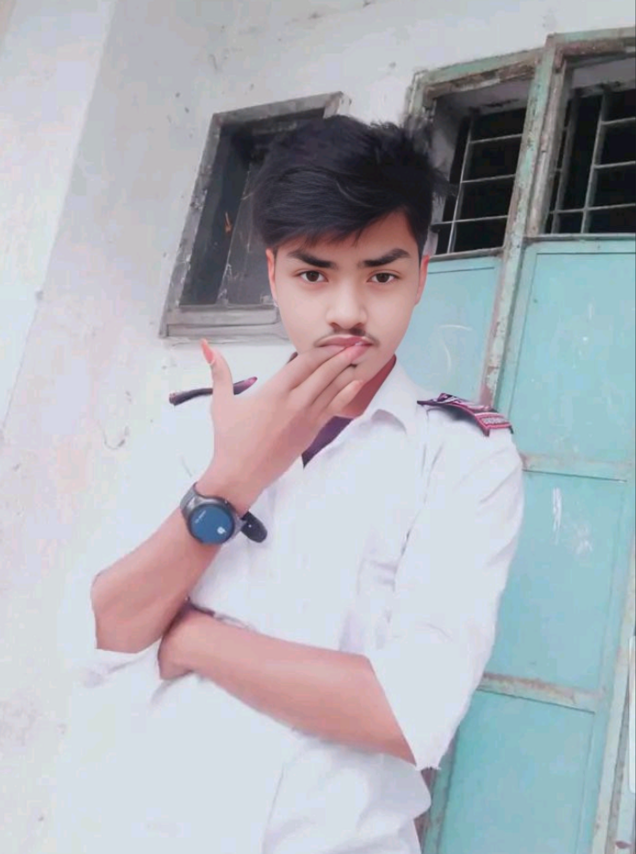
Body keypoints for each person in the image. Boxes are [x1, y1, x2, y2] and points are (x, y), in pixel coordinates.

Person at [46, 116, 524, 854]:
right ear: (272, 273)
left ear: (421, 277)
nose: (348, 311)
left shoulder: (462, 456)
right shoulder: (193, 424)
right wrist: (230, 481)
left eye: (382, 275)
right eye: (313, 274)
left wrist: (195, 639)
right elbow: (108, 633)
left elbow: (410, 712)